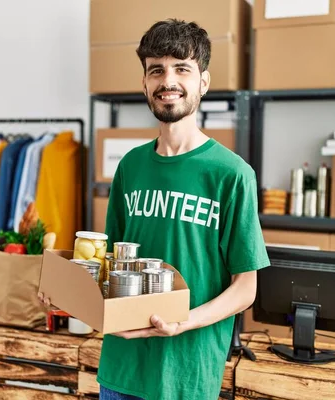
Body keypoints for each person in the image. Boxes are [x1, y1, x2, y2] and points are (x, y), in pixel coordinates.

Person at [97, 19, 271, 400]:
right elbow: (109, 262)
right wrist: (69, 290)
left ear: (202, 83)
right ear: (144, 83)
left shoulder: (232, 174)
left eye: (181, 68)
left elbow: (246, 288)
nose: (167, 80)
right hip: (120, 369)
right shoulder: (129, 166)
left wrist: (182, 320)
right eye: (156, 70)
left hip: (186, 377)